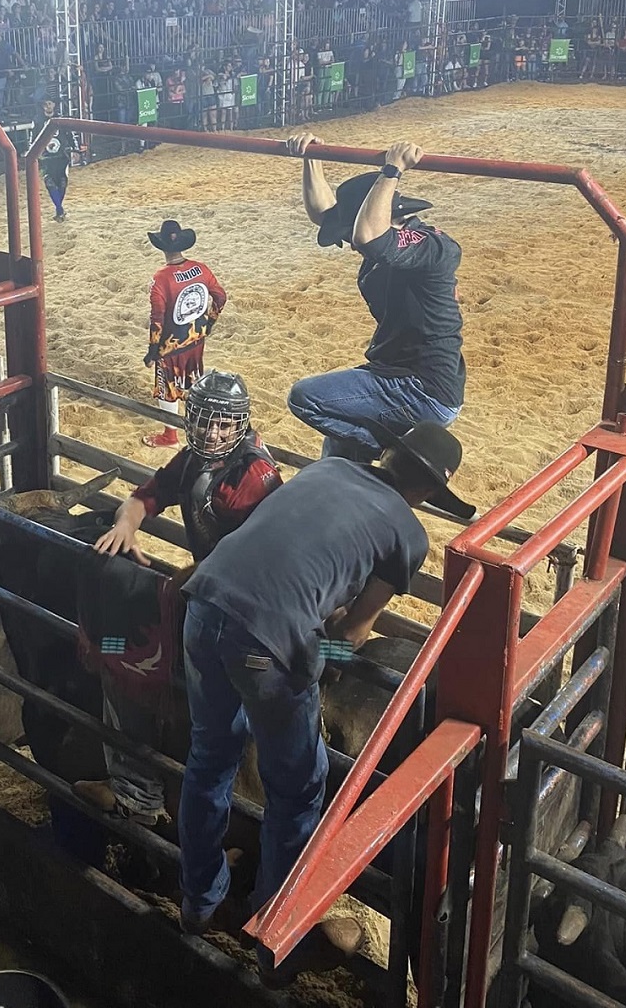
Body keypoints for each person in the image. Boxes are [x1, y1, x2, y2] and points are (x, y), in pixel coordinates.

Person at [177, 421, 474, 984]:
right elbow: (356, 632)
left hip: (204, 601)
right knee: (298, 788)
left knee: (209, 756)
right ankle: (275, 940)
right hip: (265, 642)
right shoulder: (407, 535)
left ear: (388, 457)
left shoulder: (328, 468)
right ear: (431, 492)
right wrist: (318, 656)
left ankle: (198, 901)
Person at [75, 371, 283, 825]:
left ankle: (137, 793)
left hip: (238, 599)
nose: (212, 432)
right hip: (215, 587)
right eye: (205, 421)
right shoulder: (196, 461)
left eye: (223, 424)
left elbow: (256, 557)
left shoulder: (252, 480)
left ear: (240, 425)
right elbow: (146, 495)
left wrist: (193, 580)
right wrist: (126, 523)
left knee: (123, 660)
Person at [285, 134, 465, 465]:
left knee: (305, 398)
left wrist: (393, 169)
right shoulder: (390, 243)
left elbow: (369, 236)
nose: (350, 244)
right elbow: (324, 215)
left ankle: (386, 450)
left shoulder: (430, 246)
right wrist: (312, 157)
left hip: (420, 386)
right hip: (397, 374)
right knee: (336, 450)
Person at [142, 220, 227, 449]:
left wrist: (152, 351)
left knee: (167, 387)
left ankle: (170, 435)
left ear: (162, 246)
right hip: (196, 337)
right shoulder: (201, 268)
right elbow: (220, 296)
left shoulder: (160, 279)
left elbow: (157, 319)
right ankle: (199, 424)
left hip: (171, 345)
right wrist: (209, 322)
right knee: (192, 379)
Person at [39, 99, 75, 222]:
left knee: (62, 184)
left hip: (62, 157)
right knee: (50, 184)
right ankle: (59, 210)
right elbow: (32, 138)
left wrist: (75, 148)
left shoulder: (61, 119)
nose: (48, 106)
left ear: (54, 105)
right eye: (45, 104)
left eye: (50, 103)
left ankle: (59, 209)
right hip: (46, 158)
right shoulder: (37, 121)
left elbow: (69, 134)